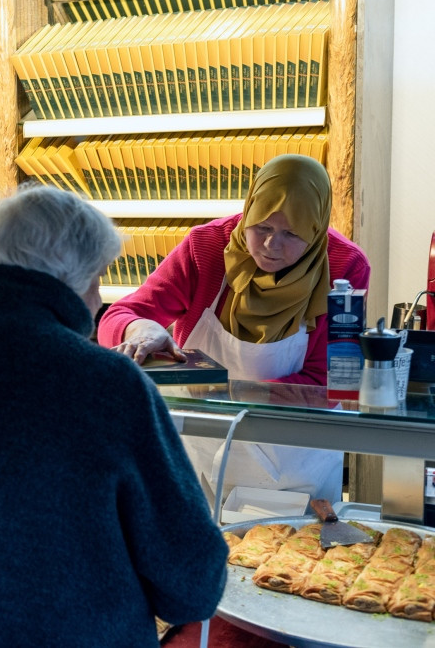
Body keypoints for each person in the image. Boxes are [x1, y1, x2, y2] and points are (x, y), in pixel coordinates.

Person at [0, 186, 226, 647]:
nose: (98, 297)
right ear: (77, 279)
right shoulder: (110, 382)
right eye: (98, 278)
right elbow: (191, 582)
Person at [97, 154, 370, 503]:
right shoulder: (207, 247)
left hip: (296, 465)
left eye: (291, 233)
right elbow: (120, 314)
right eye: (262, 228)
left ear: (316, 231)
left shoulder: (346, 266)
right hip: (200, 456)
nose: (272, 245)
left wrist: (229, 393)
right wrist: (139, 330)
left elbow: (328, 382)